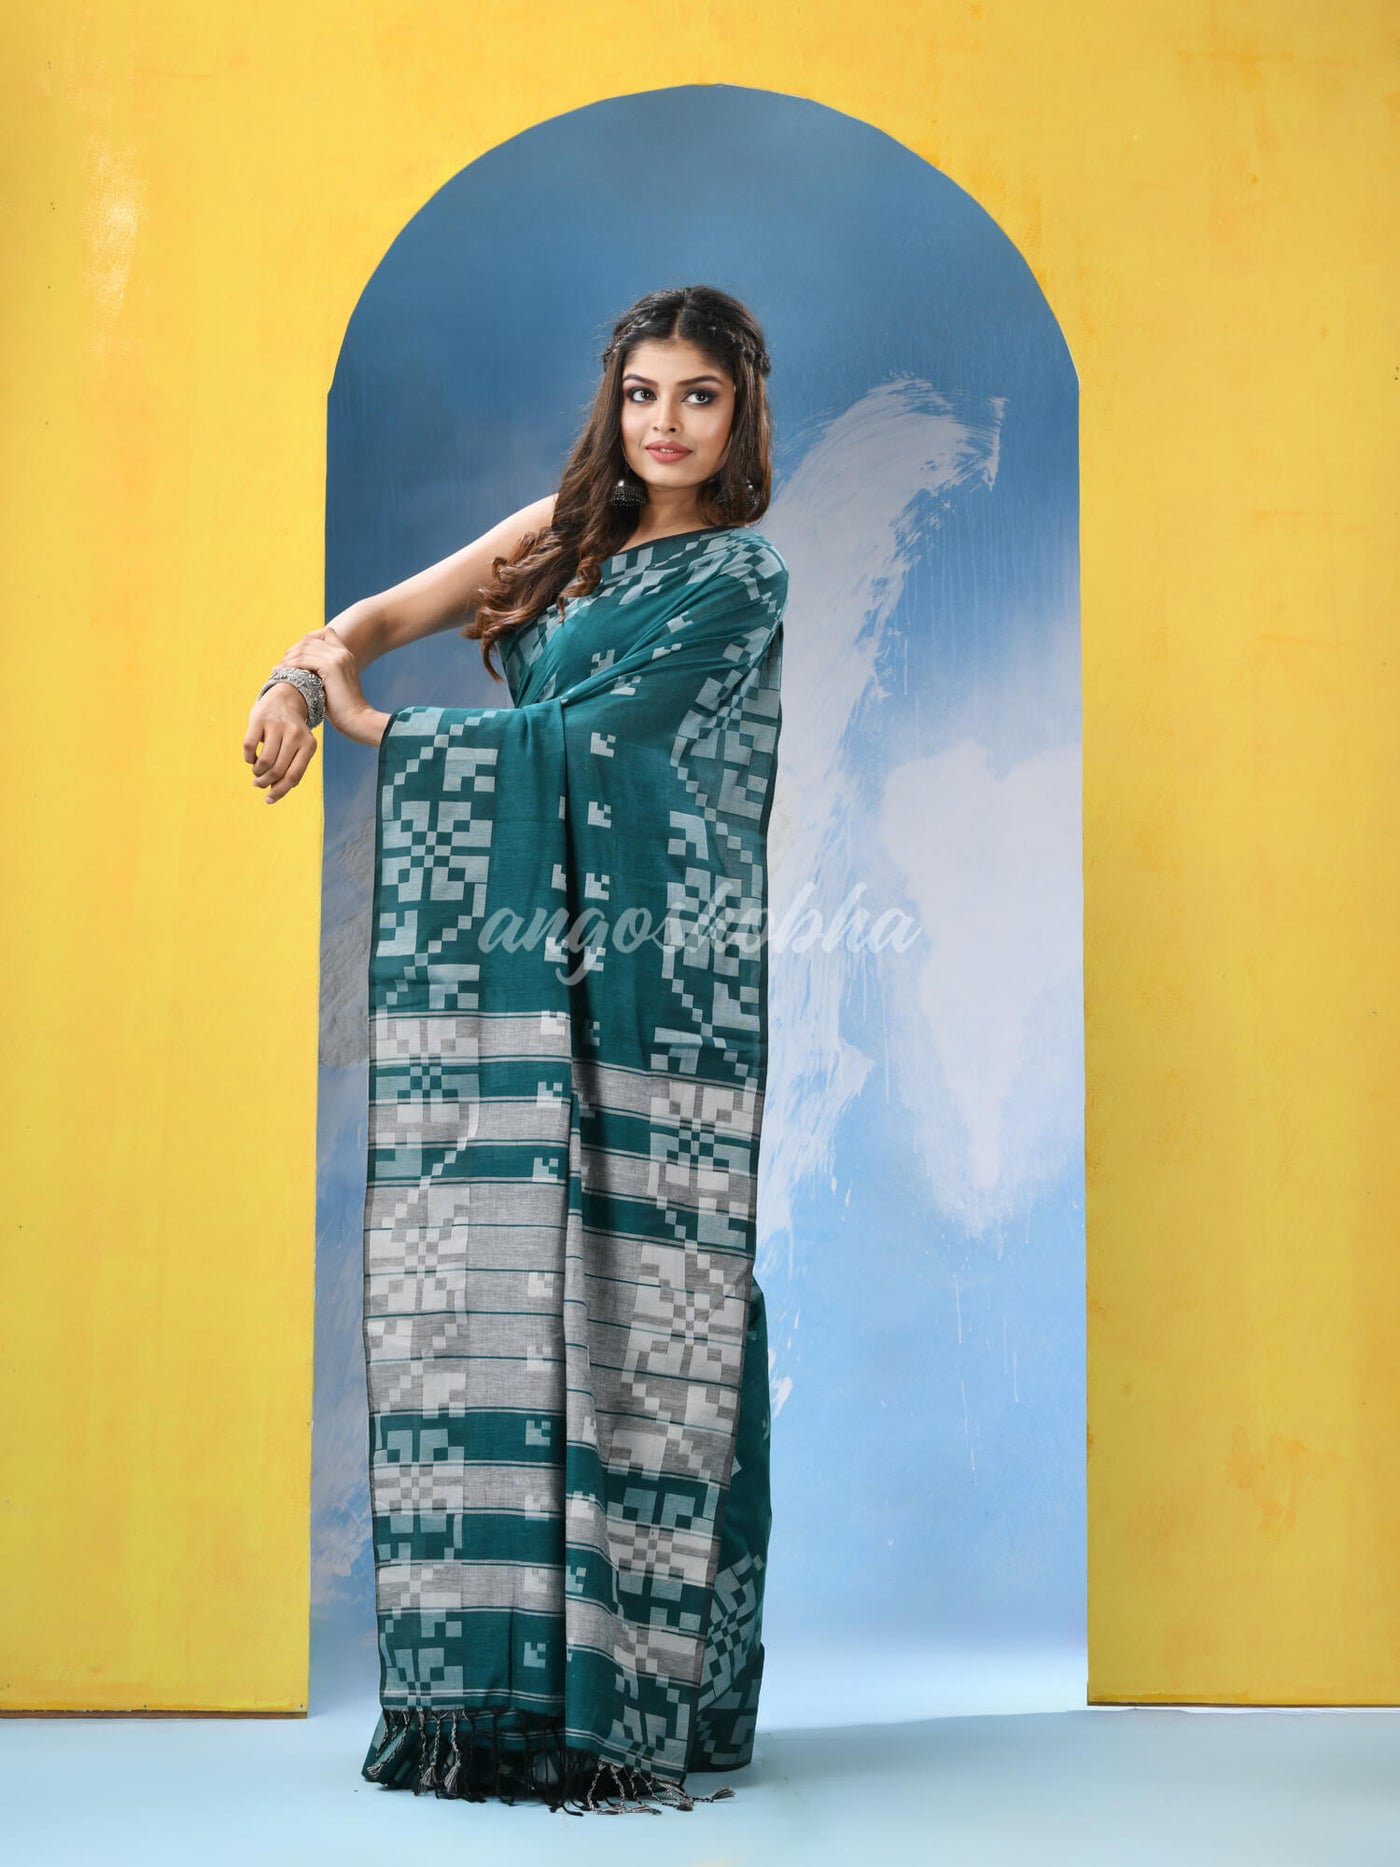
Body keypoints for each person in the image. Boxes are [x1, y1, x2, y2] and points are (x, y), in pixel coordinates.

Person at [242, 285, 788, 1815]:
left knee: (663, 1289)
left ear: (741, 413)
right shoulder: (555, 536)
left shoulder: (741, 576)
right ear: (612, 401)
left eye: (698, 397)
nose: (665, 424)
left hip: (655, 969)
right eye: (643, 393)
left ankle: (646, 1699)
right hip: (516, 955)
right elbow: (369, 623)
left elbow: (614, 742)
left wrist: (375, 735)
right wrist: (293, 684)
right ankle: (500, 1700)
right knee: (499, 1279)